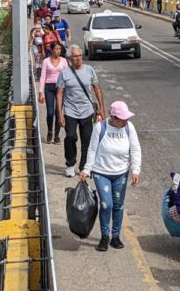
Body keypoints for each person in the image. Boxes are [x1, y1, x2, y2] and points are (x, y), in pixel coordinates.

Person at [80, 100, 142, 252]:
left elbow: (135, 149)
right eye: (123, 118)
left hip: (121, 173)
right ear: (113, 118)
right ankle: (104, 236)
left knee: (118, 205)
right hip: (101, 173)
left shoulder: (129, 128)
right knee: (107, 204)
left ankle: (115, 236)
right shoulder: (100, 128)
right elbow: (92, 149)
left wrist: (135, 170)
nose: (126, 121)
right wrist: (87, 169)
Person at [56, 45, 106, 177]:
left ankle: (84, 166)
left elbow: (97, 88)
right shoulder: (65, 73)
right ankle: (70, 164)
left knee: (87, 140)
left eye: (79, 56)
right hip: (70, 111)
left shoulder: (89, 70)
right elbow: (59, 93)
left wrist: (101, 107)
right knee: (71, 137)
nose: (78, 59)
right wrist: (60, 114)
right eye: (75, 56)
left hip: (87, 111)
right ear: (70, 58)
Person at [39, 41, 68, 144]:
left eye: (59, 49)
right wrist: (41, 92)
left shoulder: (64, 61)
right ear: (51, 50)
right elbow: (42, 77)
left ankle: (56, 135)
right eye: (56, 49)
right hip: (49, 87)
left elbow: (67, 76)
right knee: (50, 112)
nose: (58, 51)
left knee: (58, 112)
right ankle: (50, 130)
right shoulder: (46, 61)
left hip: (61, 88)